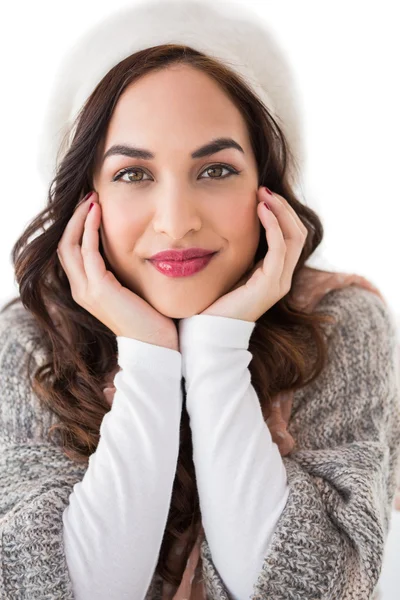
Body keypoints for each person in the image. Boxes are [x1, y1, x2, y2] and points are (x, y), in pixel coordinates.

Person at [1, 1, 399, 599]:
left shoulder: (340, 322)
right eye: (134, 174)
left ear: (269, 185)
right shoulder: (29, 339)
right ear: (89, 199)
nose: (176, 222)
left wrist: (216, 352)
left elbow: (314, 590)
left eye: (215, 170)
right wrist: (149, 355)